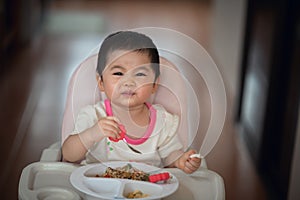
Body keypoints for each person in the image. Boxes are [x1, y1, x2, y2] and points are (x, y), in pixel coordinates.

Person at [62, 31, 201, 174]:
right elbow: (68, 155)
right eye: (118, 73)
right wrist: (91, 134)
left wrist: (181, 161)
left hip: (146, 191)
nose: (128, 82)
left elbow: (171, 157)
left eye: (140, 74)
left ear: (154, 84)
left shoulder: (163, 122)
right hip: (97, 186)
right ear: (101, 82)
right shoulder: (93, 116)